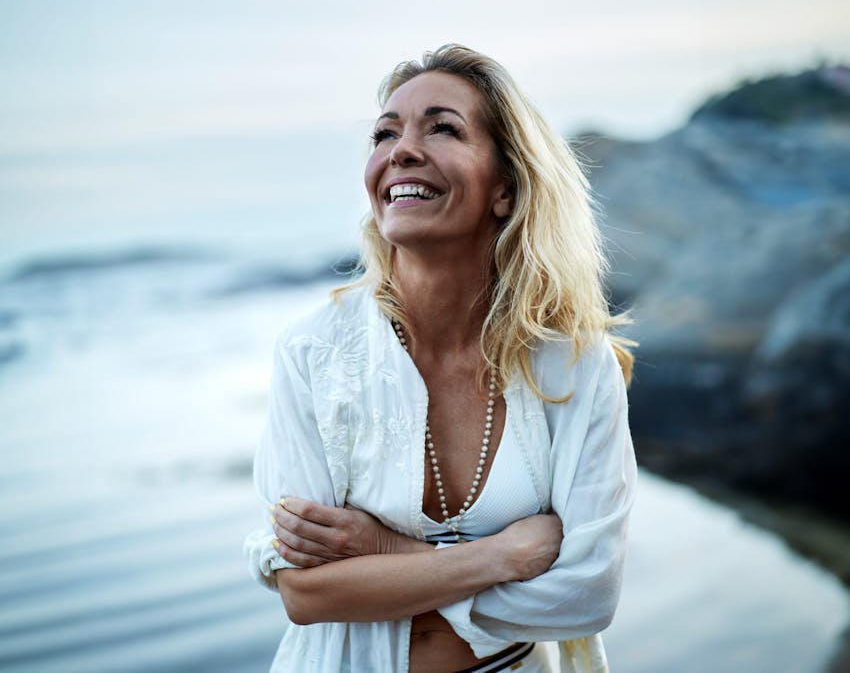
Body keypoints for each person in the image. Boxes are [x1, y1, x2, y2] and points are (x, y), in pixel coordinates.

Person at [244, 44, 636, 673]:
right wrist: (502, 557)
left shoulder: (574, 365)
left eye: (443, 128)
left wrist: (380, 551)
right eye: (384, 133)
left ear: (504, 189)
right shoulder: (312, 354)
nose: (400, 149)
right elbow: (306, 592)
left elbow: (586, 594)